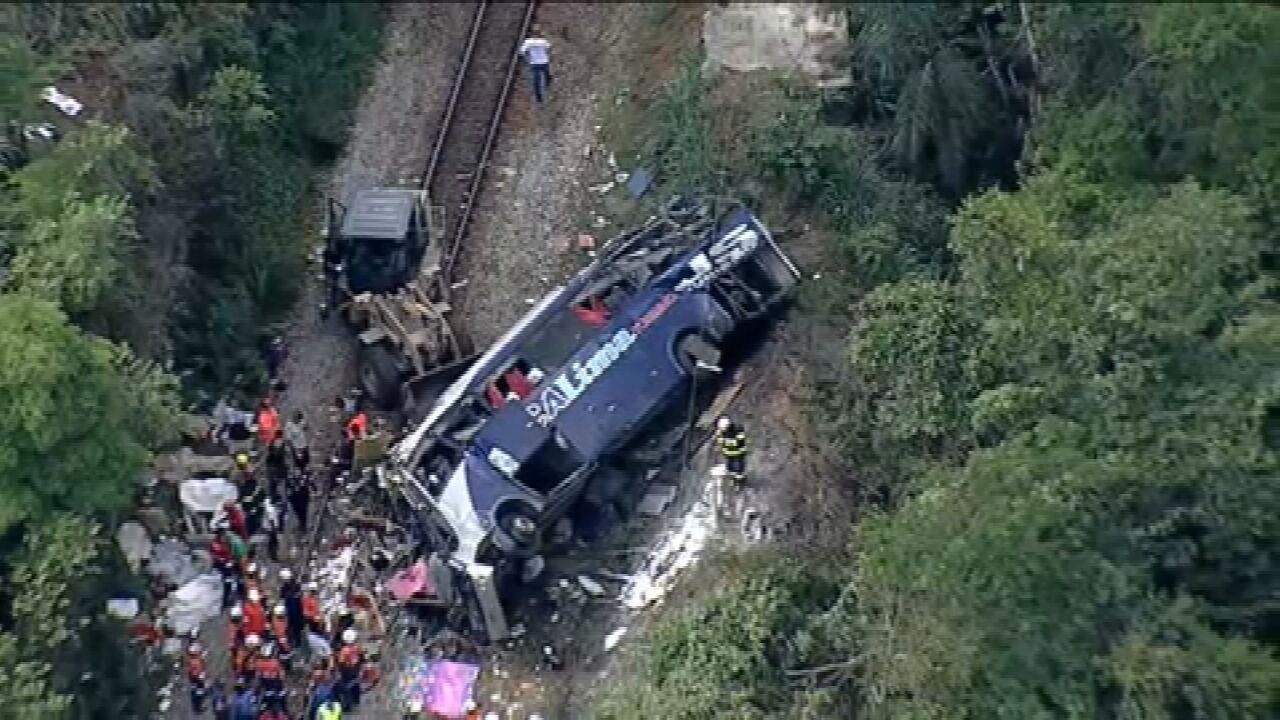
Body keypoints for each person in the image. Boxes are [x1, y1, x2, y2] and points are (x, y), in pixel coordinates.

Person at [519, 25, 552, 104]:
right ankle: (547, 86)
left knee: (536, 81)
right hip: (544, 62)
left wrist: (527, 58)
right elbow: (549, 48)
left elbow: (521, 51)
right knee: (547, 75)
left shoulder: (528, 42)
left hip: (534, 63)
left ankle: (539, 99)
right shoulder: (543, 41)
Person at [715, 416, 749, 489]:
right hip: (728, 454)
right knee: (730, 467)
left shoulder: (738, 432)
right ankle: (734, 478)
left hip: (738, 454)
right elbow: (720, 442)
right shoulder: (720, 433)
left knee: (739, 468)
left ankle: (740, 481)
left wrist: (741, 453)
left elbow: (741, 444)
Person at [335, 628, 363, 710]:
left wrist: (340, 671)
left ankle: (348, 705)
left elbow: (341, 662)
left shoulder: (344, 651)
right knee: (356, 683)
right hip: (356, 668)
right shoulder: (357, 647)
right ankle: (356, 699)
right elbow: (361, 657)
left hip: (347, 671)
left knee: (346, 687)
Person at [280, 568, 305, 649]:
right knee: (292, 628)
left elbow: (299, 596)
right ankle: (294, 643)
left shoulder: (295, 586)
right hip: (291, 611)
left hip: (296, 611)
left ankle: (297, 643)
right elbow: (283, 597)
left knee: (297, 628)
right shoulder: (286, 587)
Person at [287, 467, 314, 532]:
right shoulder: (295, 483)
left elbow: (291, 496)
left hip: (301, 503)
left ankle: (303, 527)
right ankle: (303, 527)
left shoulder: (300, 484)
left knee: (302, 516)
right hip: (299, 503)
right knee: (302, 516)